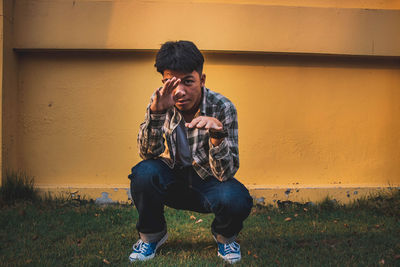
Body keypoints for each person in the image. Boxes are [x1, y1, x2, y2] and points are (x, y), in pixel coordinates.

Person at [128, 40, 253, 264]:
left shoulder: (223, 107)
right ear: (164, 81)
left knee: (236, 199)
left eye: (188, 82)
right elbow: (148, 153)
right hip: (172, 177)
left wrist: (217, 137)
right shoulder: (160, 101)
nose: (179, 92)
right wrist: (156, 114)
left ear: (202, 80)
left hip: (208, 180)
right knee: (143, 173)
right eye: (171, 82)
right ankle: (152, 235)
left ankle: (224, 237)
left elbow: (225, 174)